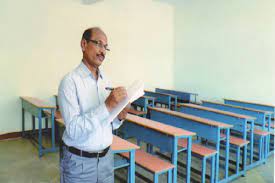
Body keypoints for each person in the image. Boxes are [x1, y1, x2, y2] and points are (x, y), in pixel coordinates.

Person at [58, 27, 129, 183]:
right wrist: (107, 106)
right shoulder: (70, 82)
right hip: (79, 164)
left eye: (105, 47)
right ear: (84, 44)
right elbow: (74, 130)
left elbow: (109, 124)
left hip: (106, 160)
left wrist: (119, 117)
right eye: (98, 44)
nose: (102, 51)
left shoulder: (106, 81)